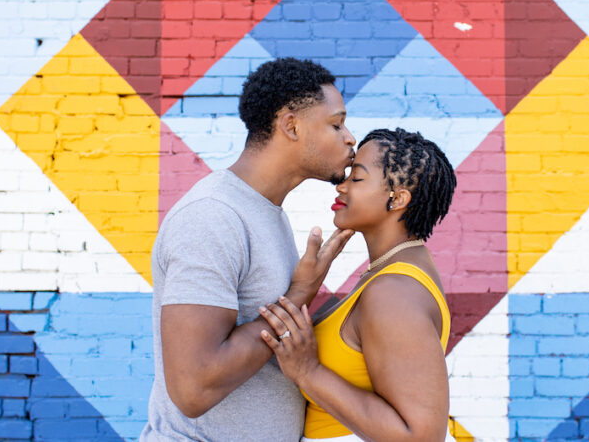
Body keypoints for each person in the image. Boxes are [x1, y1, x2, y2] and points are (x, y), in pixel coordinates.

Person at [140, 58, 358, 441]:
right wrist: (298, 296)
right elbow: (194, 388)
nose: (349, 137)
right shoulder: (213, 217)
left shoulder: (267, 214)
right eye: (336, 124)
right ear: (291, 125)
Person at [258, 128, 458, 442]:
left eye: (357, 178)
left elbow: (422, 436)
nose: (341, 185)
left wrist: (308, 372)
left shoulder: (393, 291)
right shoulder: (394, 271)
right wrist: (306, 288)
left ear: (398, 198)